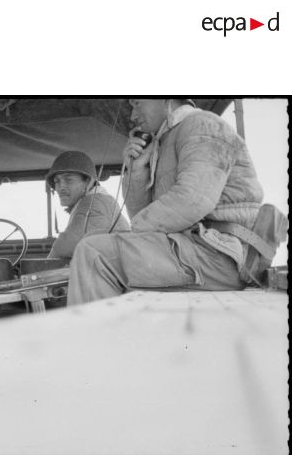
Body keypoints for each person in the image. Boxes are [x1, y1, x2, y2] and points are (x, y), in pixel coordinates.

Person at [67, 99, 265, 305]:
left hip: (218, 253)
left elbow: (192, 201)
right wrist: (136, 171)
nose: (132, 116)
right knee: (100, 256)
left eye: (137, 104)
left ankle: (92, 337)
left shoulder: (203, 126)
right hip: (189, 249)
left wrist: (130, 233)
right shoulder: (162, 141)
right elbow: (144, 215)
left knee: (94, 253)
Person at [46, 151, 129, 260]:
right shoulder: (97, 199)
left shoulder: (94, 203)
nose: (61, 187)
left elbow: (65, 247)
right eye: (57, 181)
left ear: (88, 182)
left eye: (68, 180)